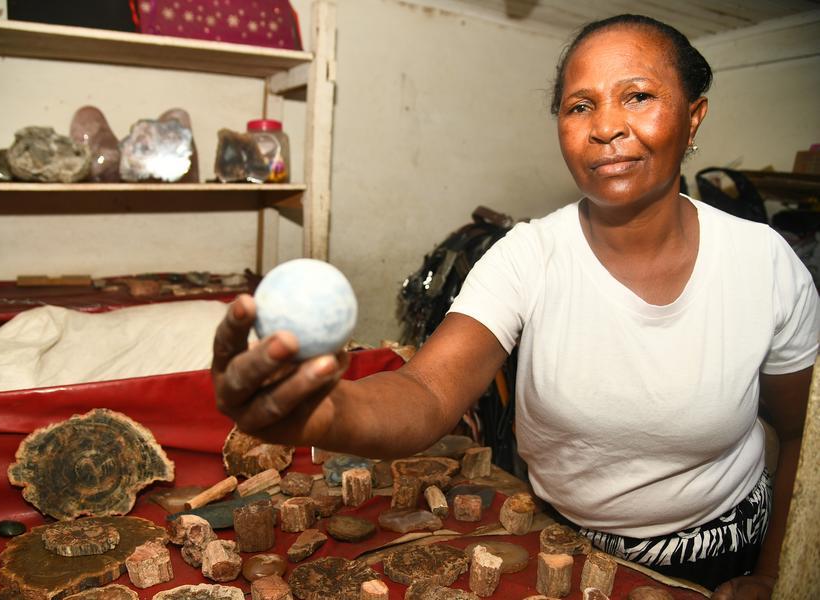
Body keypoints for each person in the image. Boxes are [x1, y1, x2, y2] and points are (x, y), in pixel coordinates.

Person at [212, 14, 818, 600]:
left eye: (637, 96)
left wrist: (774, 575)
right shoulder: (529, 256)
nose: (606, 127)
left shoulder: (762, 263)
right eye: (579, 106)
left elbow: (800, 434)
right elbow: (428, 391)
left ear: (693, 116)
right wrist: (326, 412)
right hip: (560, 549)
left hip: (727, 558)